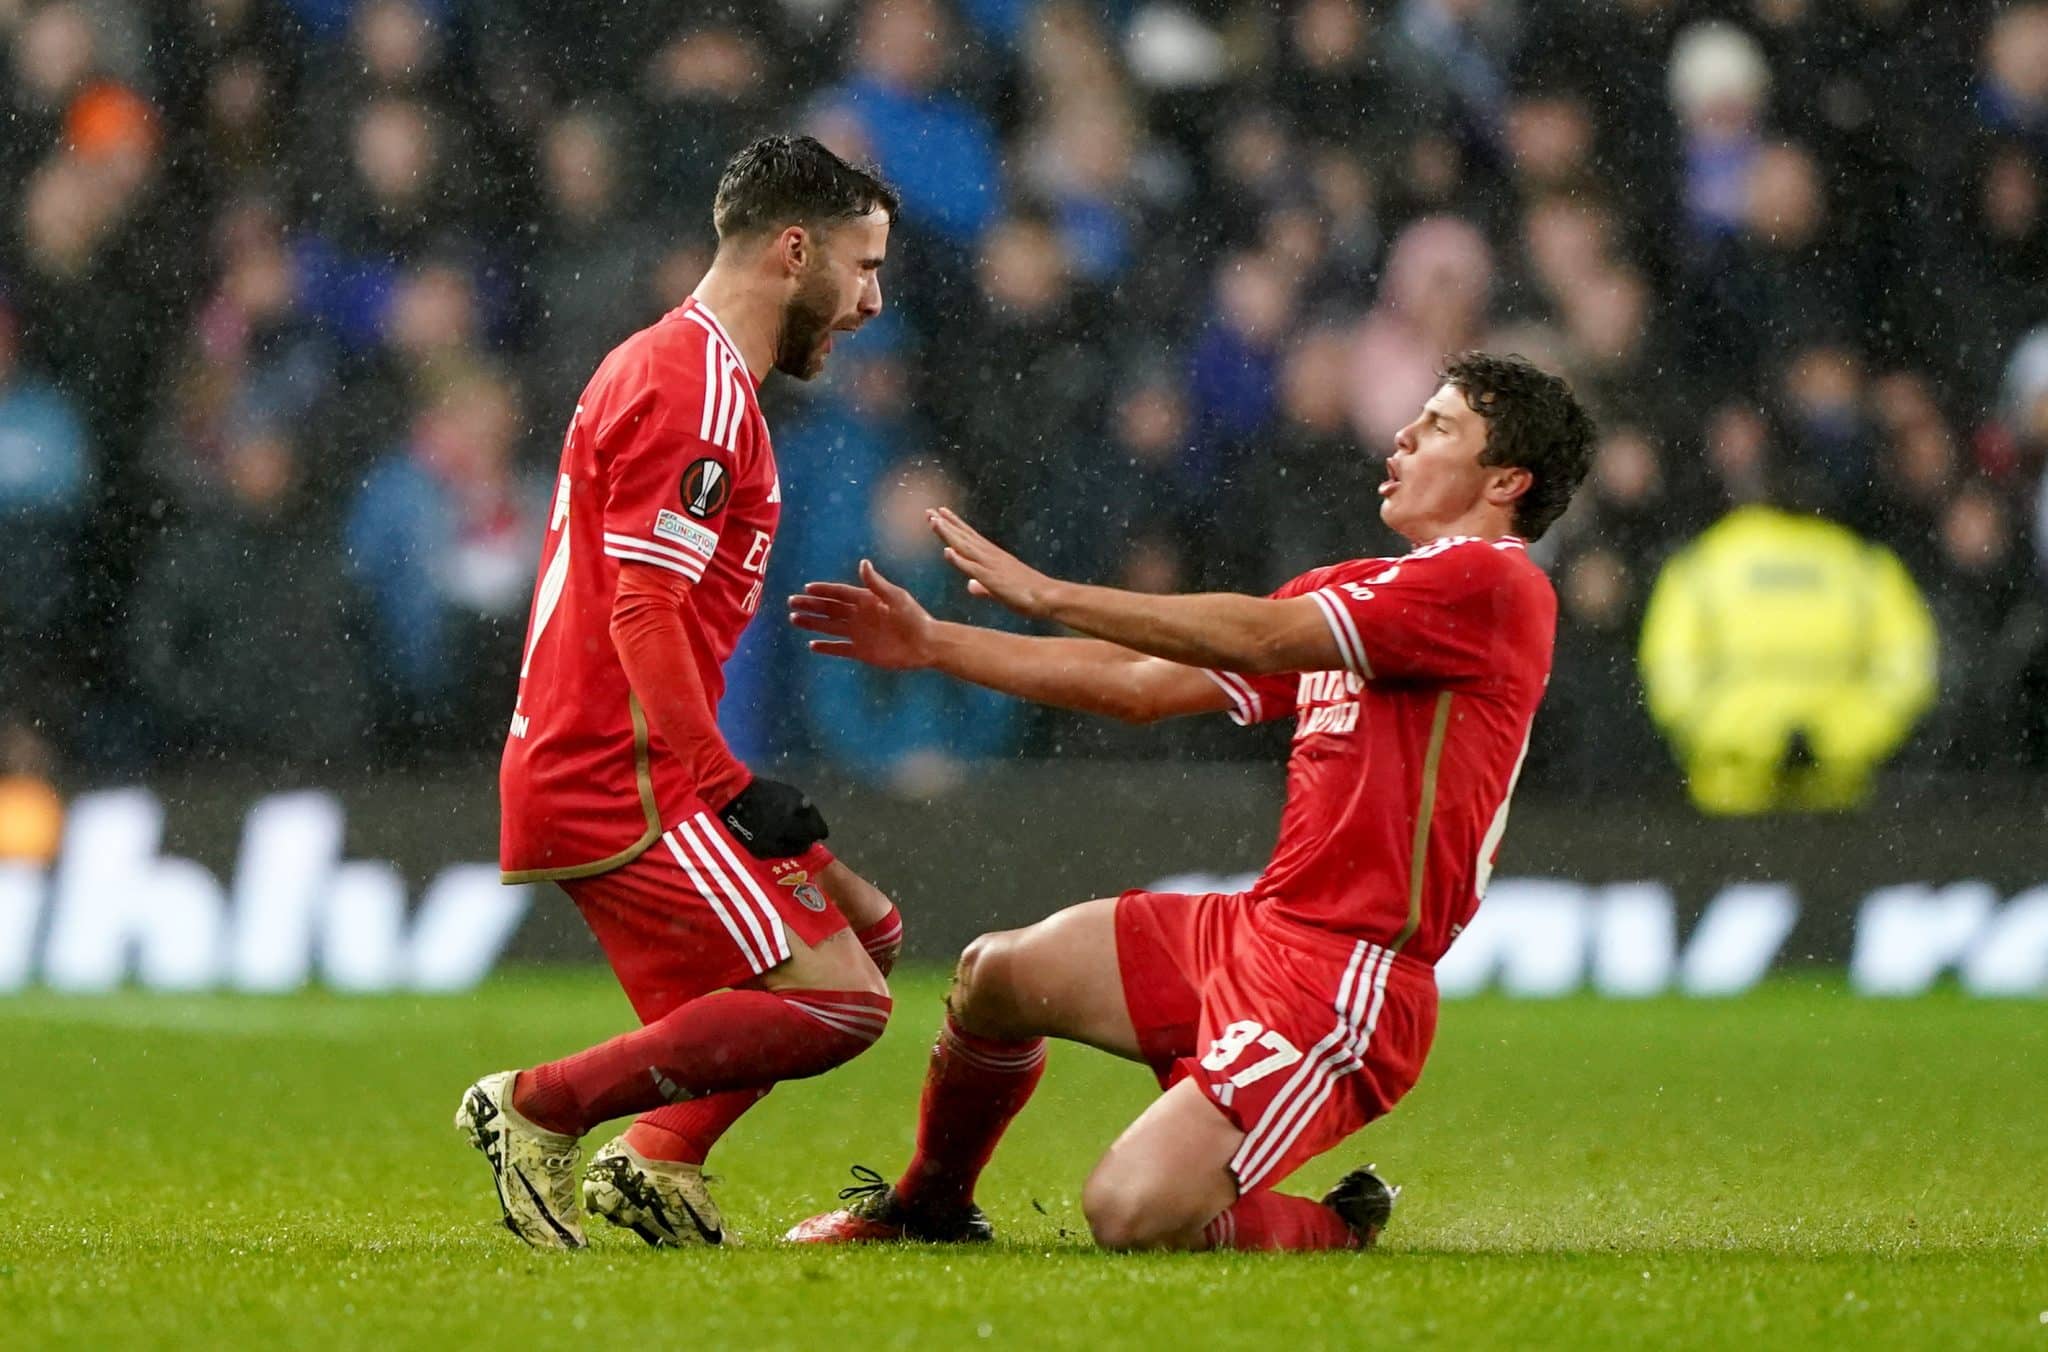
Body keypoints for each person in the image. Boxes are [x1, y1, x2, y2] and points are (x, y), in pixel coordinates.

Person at [786, 352, 1595, 1252]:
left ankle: (1335, 1229)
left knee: (1131, 1212)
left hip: (1344, 985)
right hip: (1256, 929)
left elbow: (1256, 634)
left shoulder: (1494, 584)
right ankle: (929, 1209)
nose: (1403, 435)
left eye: (1440, 427)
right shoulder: (1362, 592)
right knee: (996, 974)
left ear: (1507, 480)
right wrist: (939, 643)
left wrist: (1052, 594)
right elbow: (1140, 683)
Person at [455, 136, 906, 1251]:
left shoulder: (696, 374)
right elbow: (642, 610)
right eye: (861, 268)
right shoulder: (691, 385)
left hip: (632, 756)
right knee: (843, 1000)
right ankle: (539, 1106)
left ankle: (661, 1155)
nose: (870, 302)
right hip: (624, 769)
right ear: (792, 250)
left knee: (871, 931)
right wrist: (726, 780)